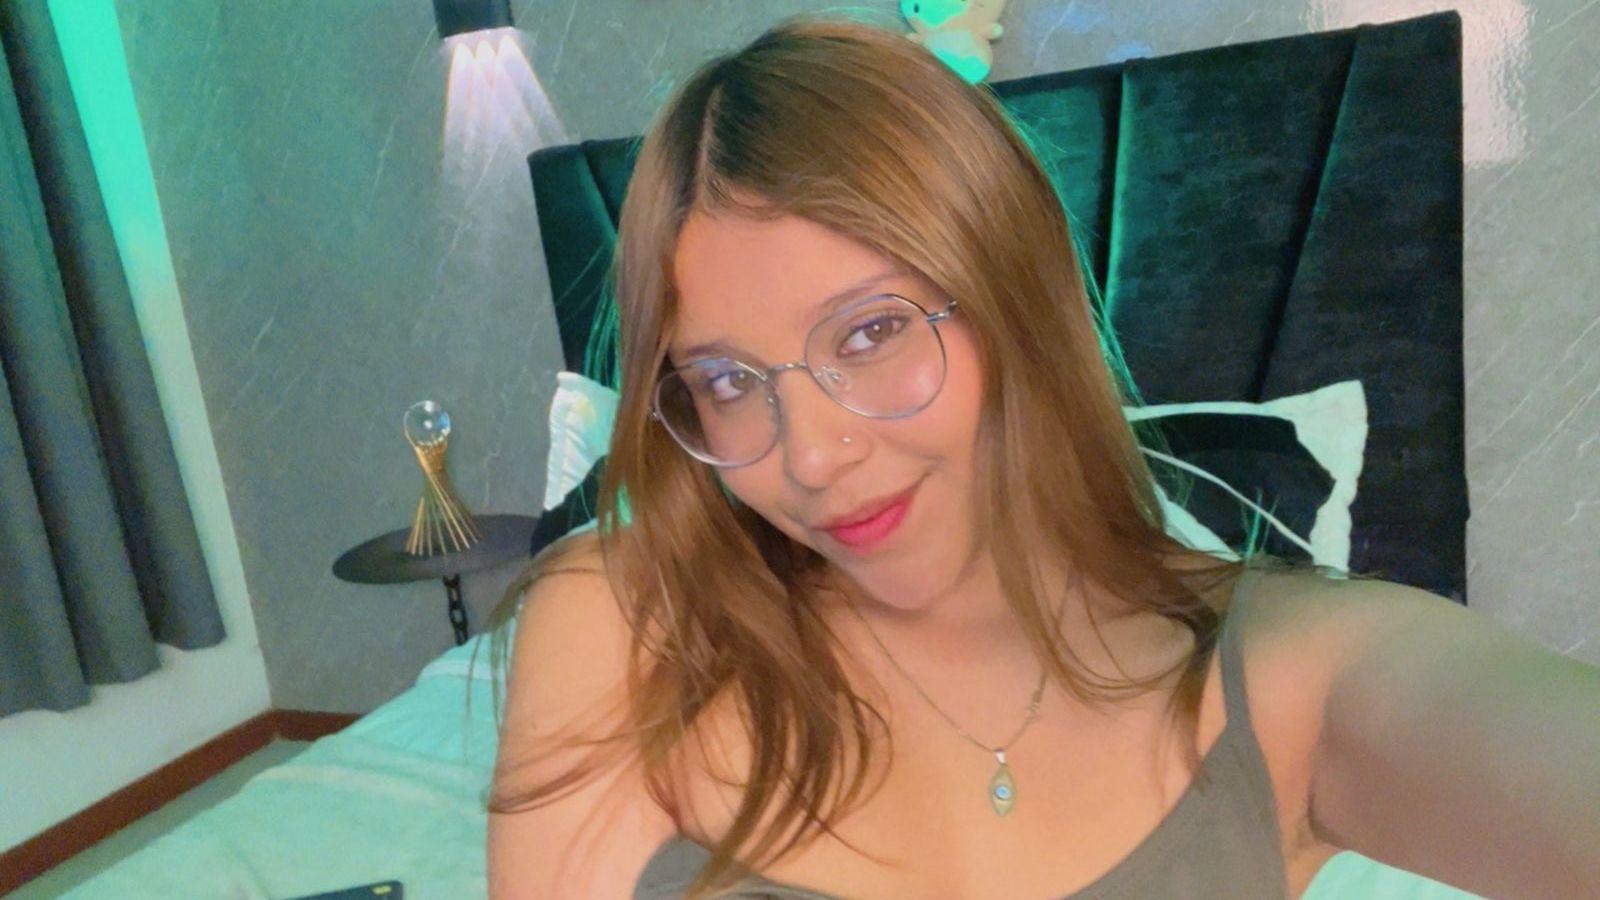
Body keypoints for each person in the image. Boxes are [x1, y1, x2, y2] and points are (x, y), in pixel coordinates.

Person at [481, 11, 1600, 900]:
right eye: (728, 383)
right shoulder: (623, 624)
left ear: (1014, 298)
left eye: (871, 333)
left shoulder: (1287, 670)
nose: (811, 457)